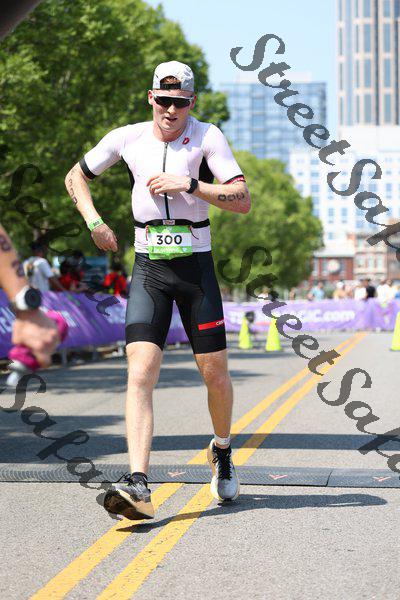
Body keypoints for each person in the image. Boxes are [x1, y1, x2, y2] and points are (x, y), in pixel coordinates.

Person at [65, 61, 250, 520]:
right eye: (163, 100)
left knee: (215, 374)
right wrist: (94, 222)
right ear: (151, 98)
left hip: (195, 269)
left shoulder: (208, 137)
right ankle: (138, 482)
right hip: (149, 268)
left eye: (180, 103)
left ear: (192, 103)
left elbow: (241, 199)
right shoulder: (127, 138)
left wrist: (191, 184)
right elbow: (75, 176)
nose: (171, 110)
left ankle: (222, 449)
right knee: (140, 369)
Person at [0, 224, 60, 367]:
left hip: (30, 297)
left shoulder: (26, 263)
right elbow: (51, 279)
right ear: (41, 251)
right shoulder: (42, 262)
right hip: (39, 298)